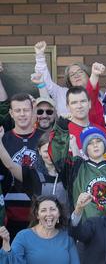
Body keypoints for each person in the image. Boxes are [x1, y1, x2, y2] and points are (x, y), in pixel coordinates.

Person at [50, 120, 106, 219]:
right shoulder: (77, 168)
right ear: (85, 149)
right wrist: (62, 128)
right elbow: (57, 155)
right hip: (85, 227)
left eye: (98, 141)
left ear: (104, 144)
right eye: (90, 143)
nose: (95, 145)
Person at [0, 94, 44, 236]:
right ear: (11, 114)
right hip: (11, 218)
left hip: (41, 215)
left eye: (26, 110)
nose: (22, 114)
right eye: (17, 111)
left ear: (32, 112)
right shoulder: (3, 140)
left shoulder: (44, 138)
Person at [0, 129, 71, 214]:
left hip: (65, 225)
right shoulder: (32, 174)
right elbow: (10, 165)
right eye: (46, 151)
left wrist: (72, 143)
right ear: (39, 151)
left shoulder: (69, 172)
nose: (50, 154)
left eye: (54, 150)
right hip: (41, 225)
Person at [0, 195, 79, 264]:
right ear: (37, 215)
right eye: (43, 210)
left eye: (52, 209)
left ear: (59, 214)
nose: (49, 214)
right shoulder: (23, 236)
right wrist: (6, 244)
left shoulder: (67, 238)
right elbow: (11, 262)